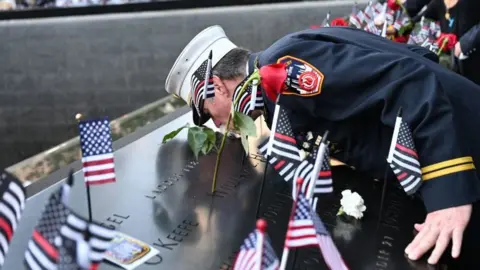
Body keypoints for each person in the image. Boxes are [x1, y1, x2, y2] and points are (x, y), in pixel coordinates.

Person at [165, 25, 480, 265]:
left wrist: (448, 193)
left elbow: (409, 83)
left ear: (217, 86)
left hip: (464, 143)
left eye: (208, 114)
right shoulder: (275, 92)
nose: (218, 125)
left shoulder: (283, 70)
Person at [405, 0, 480, 85]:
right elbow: (422, 20)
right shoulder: (438, 2)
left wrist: (465, 43)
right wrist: (399, 29)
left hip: (474, 65)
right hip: (452, 68)